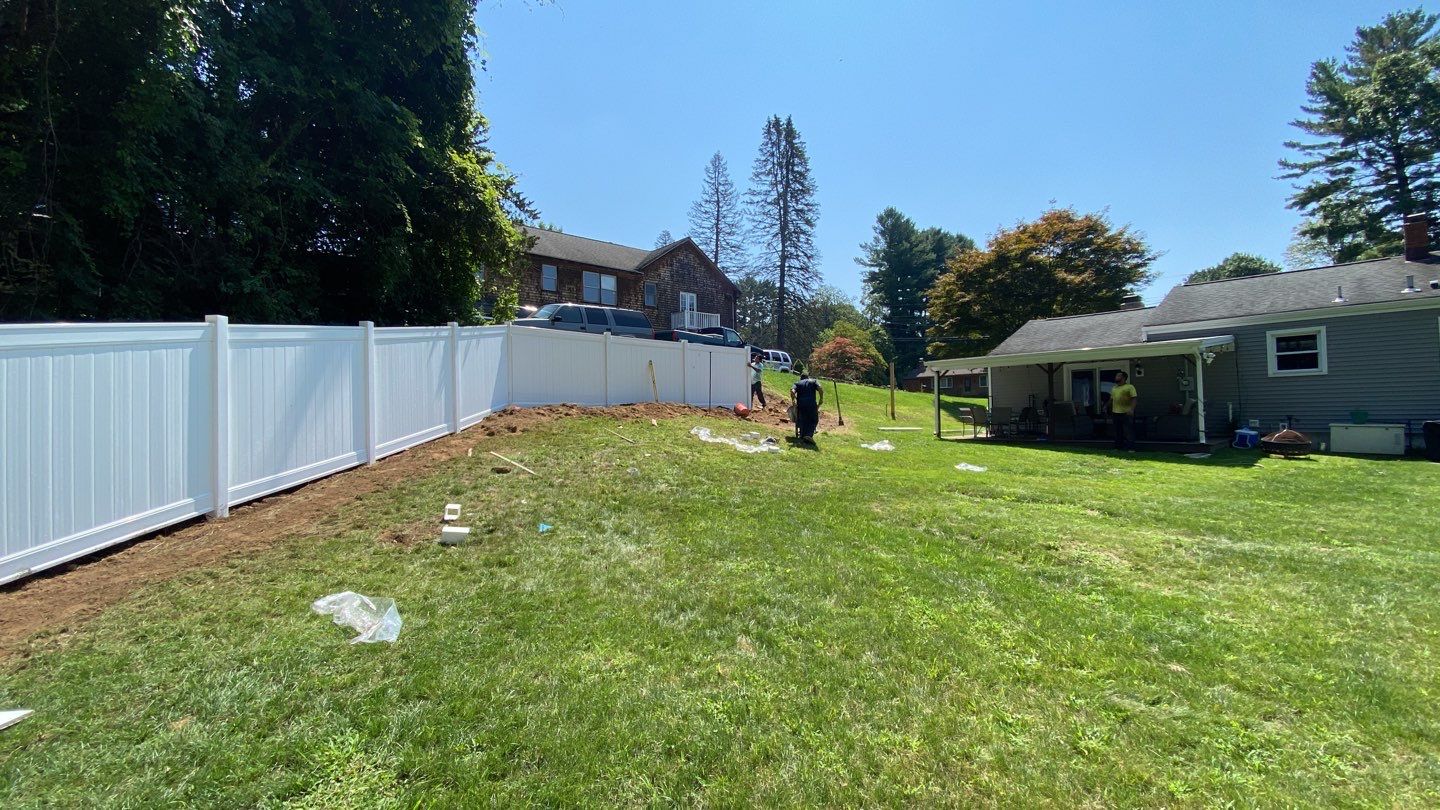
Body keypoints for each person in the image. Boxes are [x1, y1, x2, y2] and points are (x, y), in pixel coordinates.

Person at [791, 372, 824, 442]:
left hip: (801, 404)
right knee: (813, 419)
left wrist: (793, 400)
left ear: (801, 378)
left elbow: (792, 391)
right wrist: (821, 398)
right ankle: (808, 435)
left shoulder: (797, 383)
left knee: (803, 419)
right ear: (808, 377)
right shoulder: (814, 381)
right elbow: (820, 388)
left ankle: (803, 435)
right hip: (811, 404)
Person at [1110, 371, 1138, 451]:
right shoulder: (1114, 388)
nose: (1116, 377)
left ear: (1124, 378)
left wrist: (1132, 409)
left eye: (1118, 376)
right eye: (1116, 376)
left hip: (1126, 412)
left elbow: (1134, 398)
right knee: (1117, 431)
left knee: (1128, 431)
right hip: (1115, 412)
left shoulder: (1129, 387)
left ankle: (1131, 448)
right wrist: (1106, 406)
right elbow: (1111, 399)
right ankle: (1118, 447)